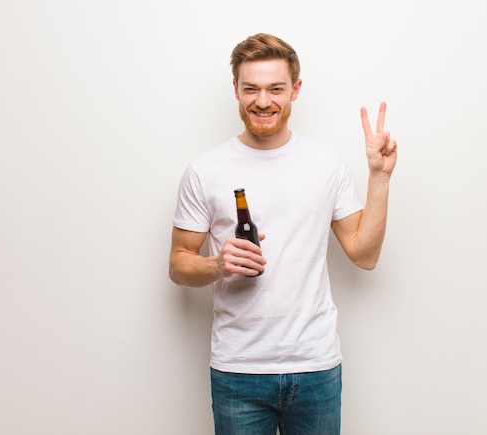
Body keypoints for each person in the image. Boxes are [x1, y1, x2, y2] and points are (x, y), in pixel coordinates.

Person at [169, 33, 397, 435]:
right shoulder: (205, 170)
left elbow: (364, 254)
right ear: (236, 90)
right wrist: (217, 264)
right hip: (238, 369)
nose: (262, 101)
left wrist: (379, 178)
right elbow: (178, 264)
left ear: (295, 89)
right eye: (250, 89)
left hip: (315, 366)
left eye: (275, 88)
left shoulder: (325, 164)